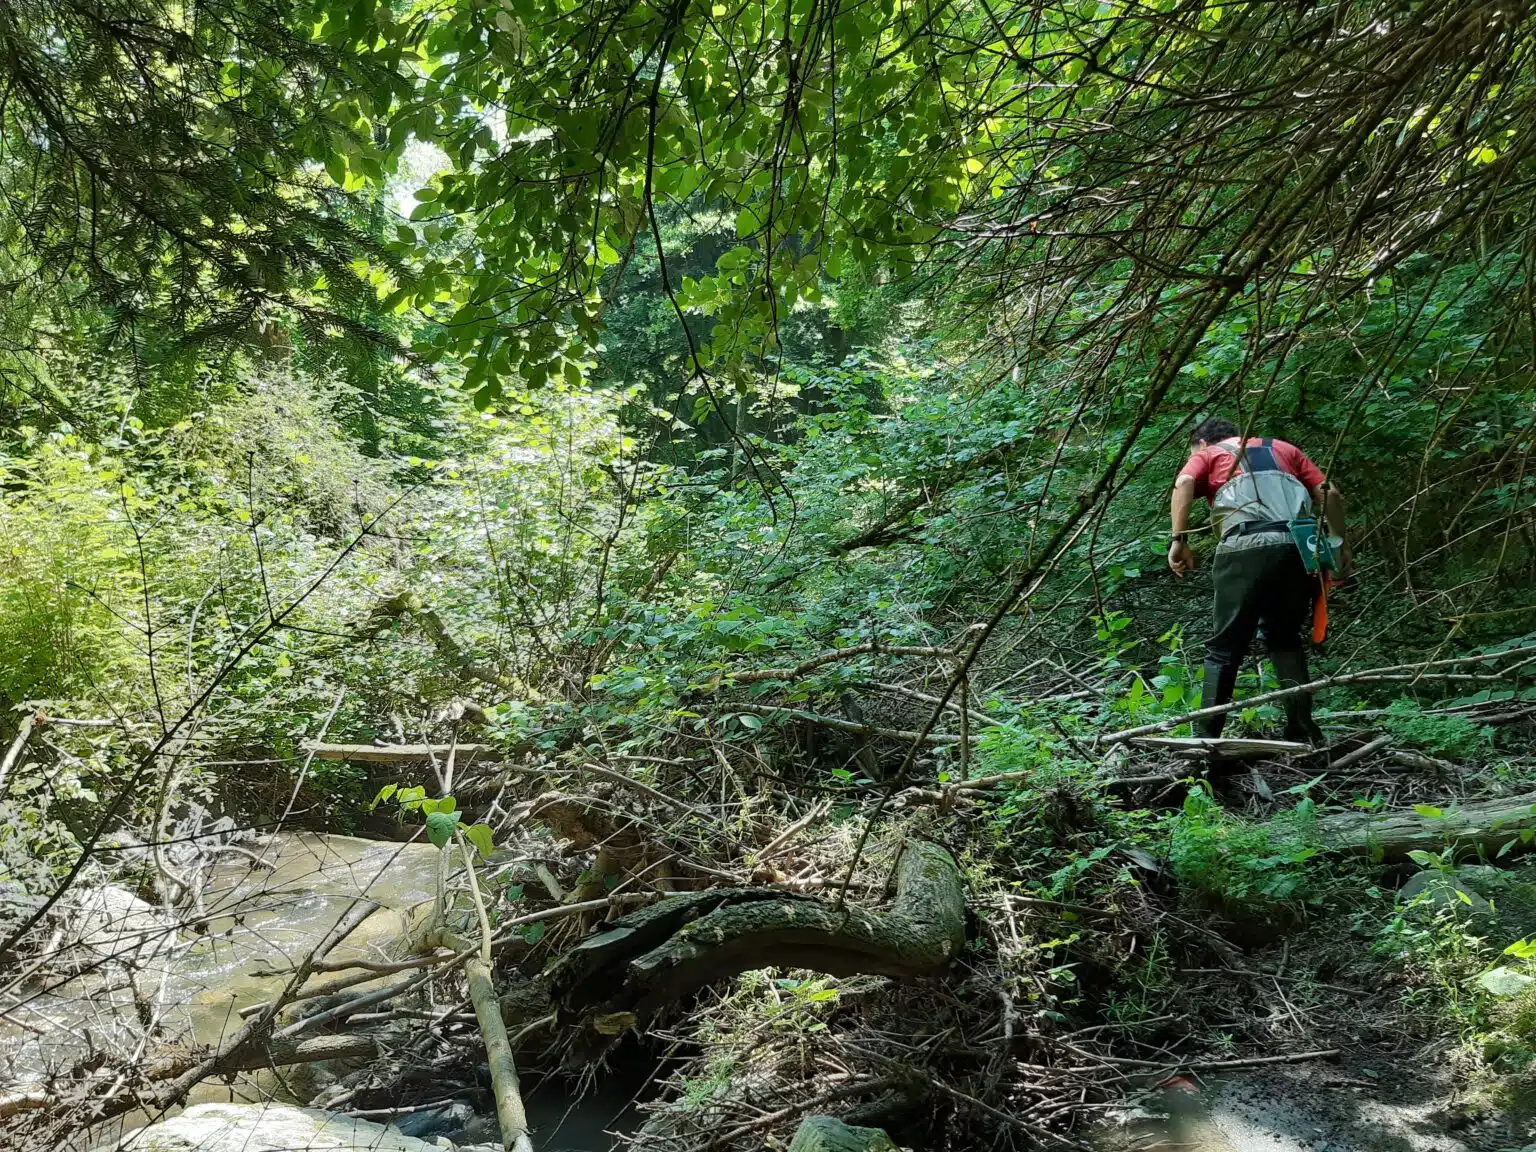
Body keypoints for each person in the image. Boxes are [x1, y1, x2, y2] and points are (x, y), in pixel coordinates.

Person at [1166, 417, 1349, 744]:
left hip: (1243, 546)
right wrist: (1339, 544)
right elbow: (1330, 493)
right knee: (1285, 638)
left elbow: (1184, 483)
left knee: (1224, 647)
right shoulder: (1284, 449)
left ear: (1202, 443)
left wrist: (1178, 540)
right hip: (1297, 547)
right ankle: (1302, 734)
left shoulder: (1209, 454)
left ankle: (1207, 741)